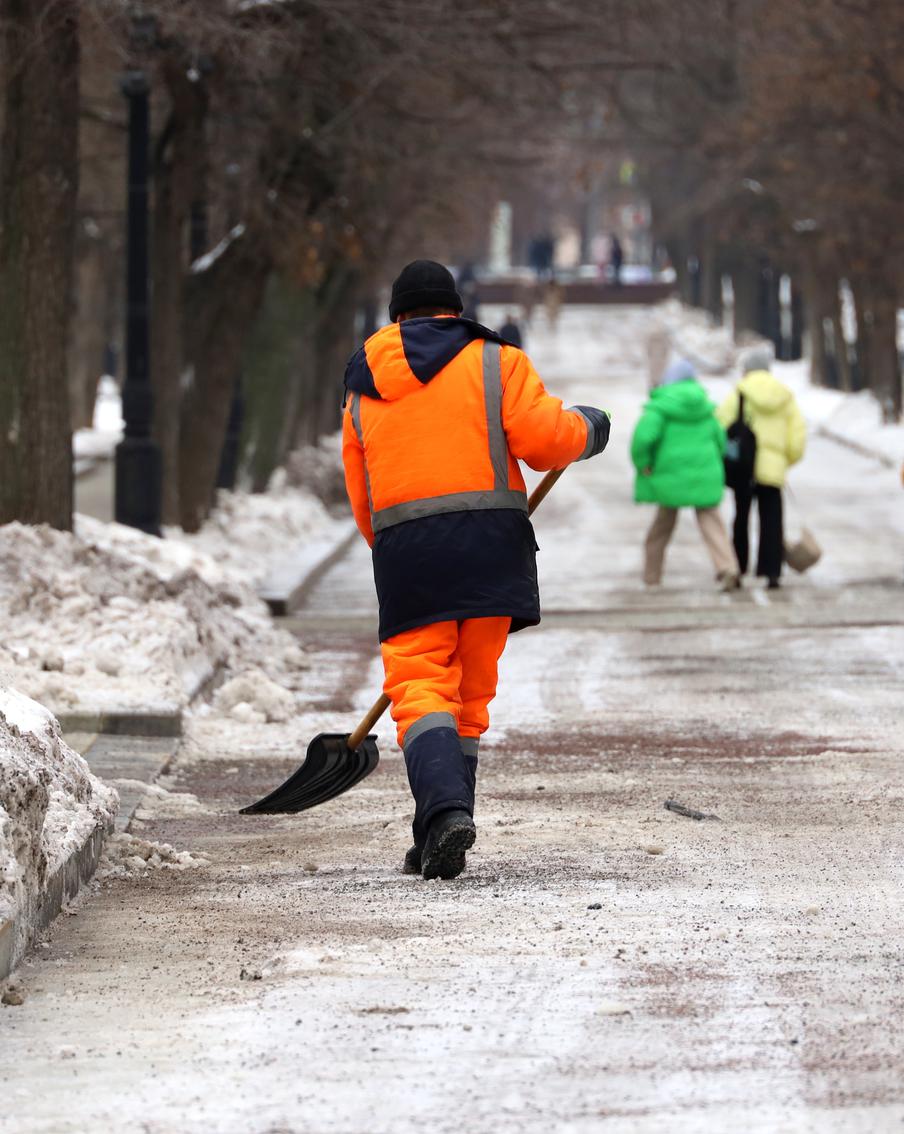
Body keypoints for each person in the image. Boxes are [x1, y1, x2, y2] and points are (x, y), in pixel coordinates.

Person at [342, 260, 610, 880]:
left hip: (409, 552)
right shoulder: (497, 361)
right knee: (467, 693)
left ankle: (442, 815)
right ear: (454, 309)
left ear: (396, 318)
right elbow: (546, 441)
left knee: (420, 685)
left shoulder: (362, 383)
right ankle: (440, 824)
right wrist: (588, 428)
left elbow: (362, 494)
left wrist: (392, 549)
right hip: (492, 544)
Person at [631, 358, 740, 590]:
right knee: (712, 521)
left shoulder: (660, 408)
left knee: (662, 526)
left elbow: (642, 440)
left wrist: (644, 464)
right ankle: (727, 567)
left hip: (669, 476)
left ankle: (652, 575)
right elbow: (720, 441)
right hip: (704, 473)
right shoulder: (705, 407)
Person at [716, 348, 806, 589]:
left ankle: (739, 567)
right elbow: (797, 435)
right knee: (772, 519)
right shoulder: (784, 395)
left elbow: (720, 424)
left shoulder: (740, 393)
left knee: (741, 518)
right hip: (773, 468)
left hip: (744, 468)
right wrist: (785, 459)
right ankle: (772, 570)